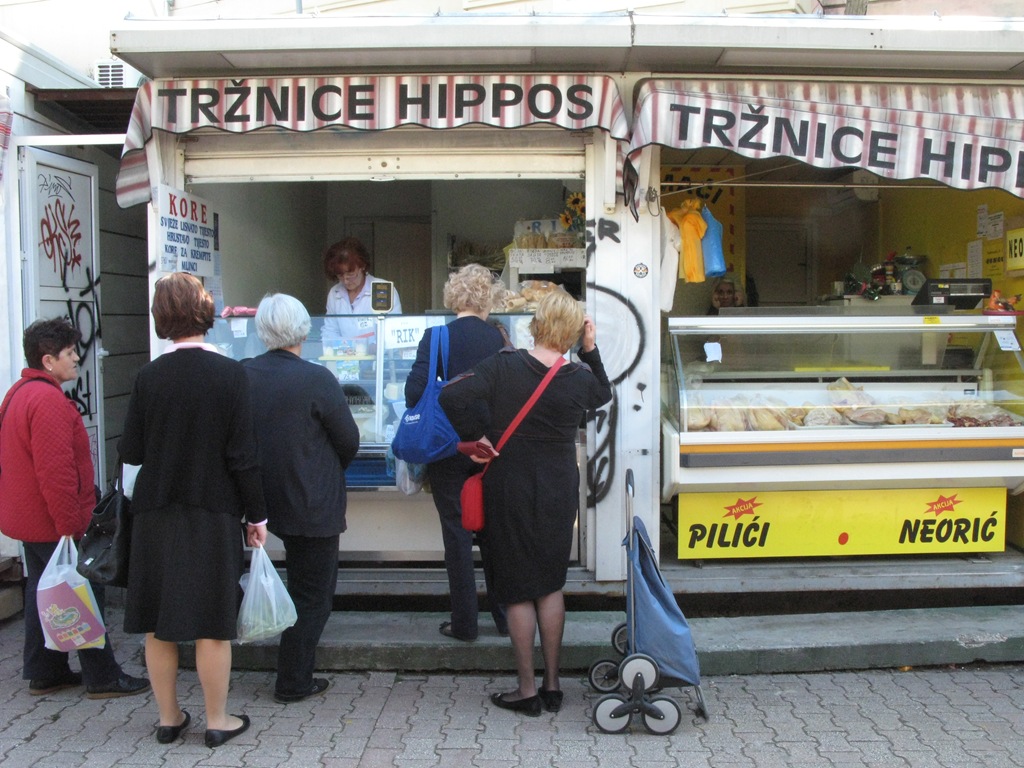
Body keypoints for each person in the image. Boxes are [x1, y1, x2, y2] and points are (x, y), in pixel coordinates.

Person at [438, 289, 611, 716]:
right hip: (558, 487)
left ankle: (527, 690)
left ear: (536, 323)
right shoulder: (579, 377)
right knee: (550, 585)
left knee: (516, 589)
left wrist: (477, 437)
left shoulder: (503, 365)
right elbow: (603, 394)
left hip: (509, 483)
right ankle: (553, 686)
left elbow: (451, 396)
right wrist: (589, 350)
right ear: (572, 332)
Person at [118, 272, 268, 748]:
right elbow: (243, 456)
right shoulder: (231, 374)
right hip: (213, 510)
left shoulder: (147, 377)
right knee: (212, 623)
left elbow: (131, 450)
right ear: (205, 313)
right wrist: (257, 516)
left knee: (156, 622)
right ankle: (218, 720)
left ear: (161, 317)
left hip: (154, 510)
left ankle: (168, 718)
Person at [0, 318, 150, 700]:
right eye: (69, 353)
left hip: (28, 520)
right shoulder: (48, 401)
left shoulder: (18, 394)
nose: (77, 359)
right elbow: (56, 473)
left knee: (44, 591)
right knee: (83, 590)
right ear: (48, 360)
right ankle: (102, 676)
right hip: (53, 521)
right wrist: (71, 524)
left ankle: (44, 671)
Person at [243, 293, 360, 703]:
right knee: (313, 595)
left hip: (258, 500)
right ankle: (293, 680)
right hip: (311, 500)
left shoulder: (243, 374)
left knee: (294, 585)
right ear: (304, 331)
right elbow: (349, 440)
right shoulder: (317, 379)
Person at [404, 264, 508, 642]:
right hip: (492, 449)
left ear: (453, 297)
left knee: (457, 536)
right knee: (495, 535)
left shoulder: (436, 337)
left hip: (448, 448)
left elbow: (413, 393)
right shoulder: (501, 337)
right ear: (487, 298)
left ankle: (465, 623)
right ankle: (505, 619)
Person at [322, 237, 403, 346]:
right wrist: (338, 348)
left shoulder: (383, 289)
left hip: (377, 355)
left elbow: (394, 331)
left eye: (350, 274)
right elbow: (330, 330)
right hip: (344, 355)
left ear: (362, 266)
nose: (345, 280)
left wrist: (371, 348)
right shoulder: (334, 293)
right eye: (340, 275)